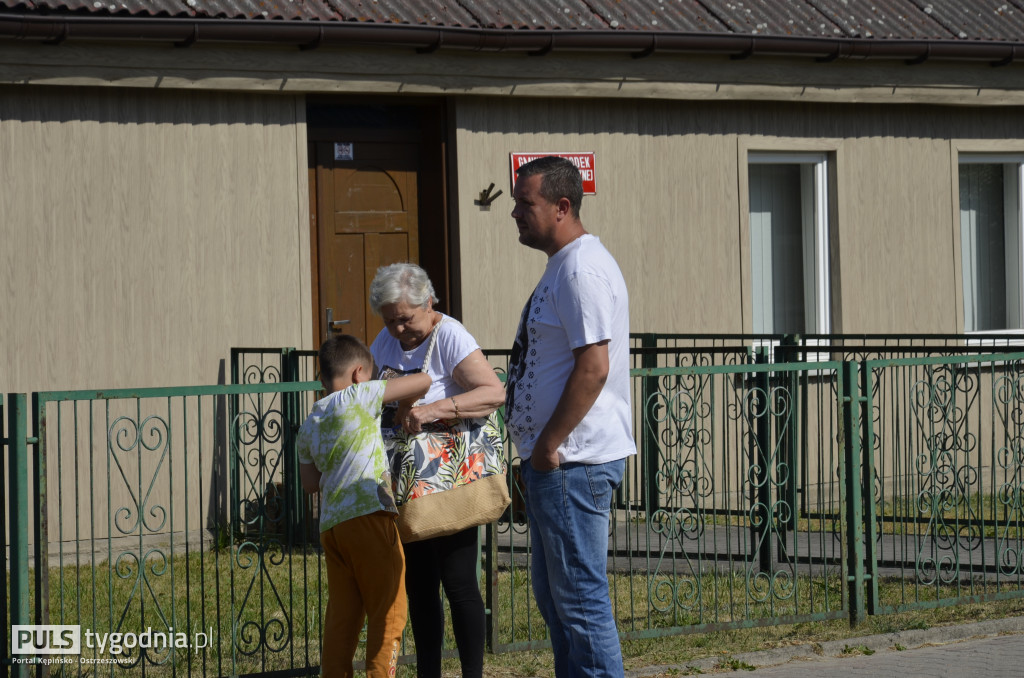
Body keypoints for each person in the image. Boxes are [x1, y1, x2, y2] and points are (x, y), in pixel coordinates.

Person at [505, 156, 636, 677]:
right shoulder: (563, 266)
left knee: (580, 601)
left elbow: (594, 366)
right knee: (560, 604)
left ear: (562, 206)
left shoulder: (581, 268)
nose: (514, 212)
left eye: (525, 203)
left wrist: (547, 445)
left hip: (571, 464)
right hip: (557, 465)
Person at [368, 262, 505, 678]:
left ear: (428, 302)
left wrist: (432, 410)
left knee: (459, 581)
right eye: (390, 321)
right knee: (420, 587)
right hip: (407, 486)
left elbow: (492, 392)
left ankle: (471, 674)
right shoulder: (384, 341)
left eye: (405, 319)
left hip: (451, 482)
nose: (398, 330)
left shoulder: (449, 335)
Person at [297, 334, 432, 678]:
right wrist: (390, 389)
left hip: (333, 528)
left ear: (322, 378)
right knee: (389, 609)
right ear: (359, 373)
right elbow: (424, 380)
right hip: (369, 517)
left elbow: (310, 484)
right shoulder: (360, 394)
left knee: (343, 614)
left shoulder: (310, 421)